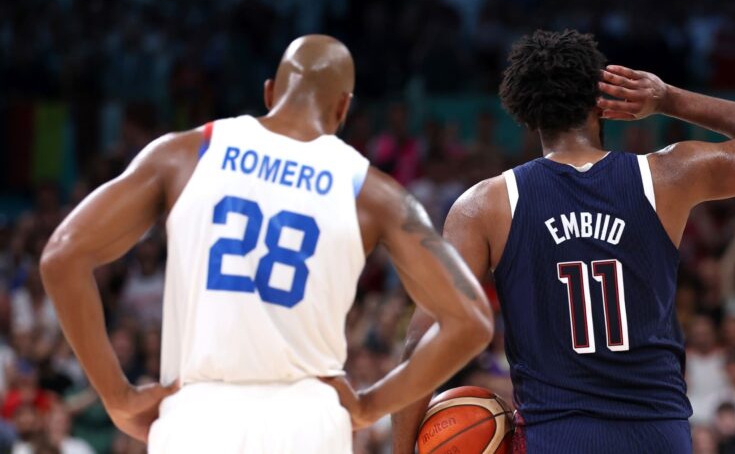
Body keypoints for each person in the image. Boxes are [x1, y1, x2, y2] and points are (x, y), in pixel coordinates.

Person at [39, 35, 493, 453]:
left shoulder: (184, 153)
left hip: (197, 418)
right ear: (342, 108)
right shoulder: (373, 192)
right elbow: (470, 321)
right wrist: (370, 406)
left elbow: (63, 255)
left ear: (270, 92)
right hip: (307, 421)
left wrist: (117, 397)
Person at [391, 29, 735, 453]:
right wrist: (669, 99)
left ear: (526, 115)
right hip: (657, 434)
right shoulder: (665, 177)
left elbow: (421, 340)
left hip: (556, 437)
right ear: (604, 102)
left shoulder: (483, 205)